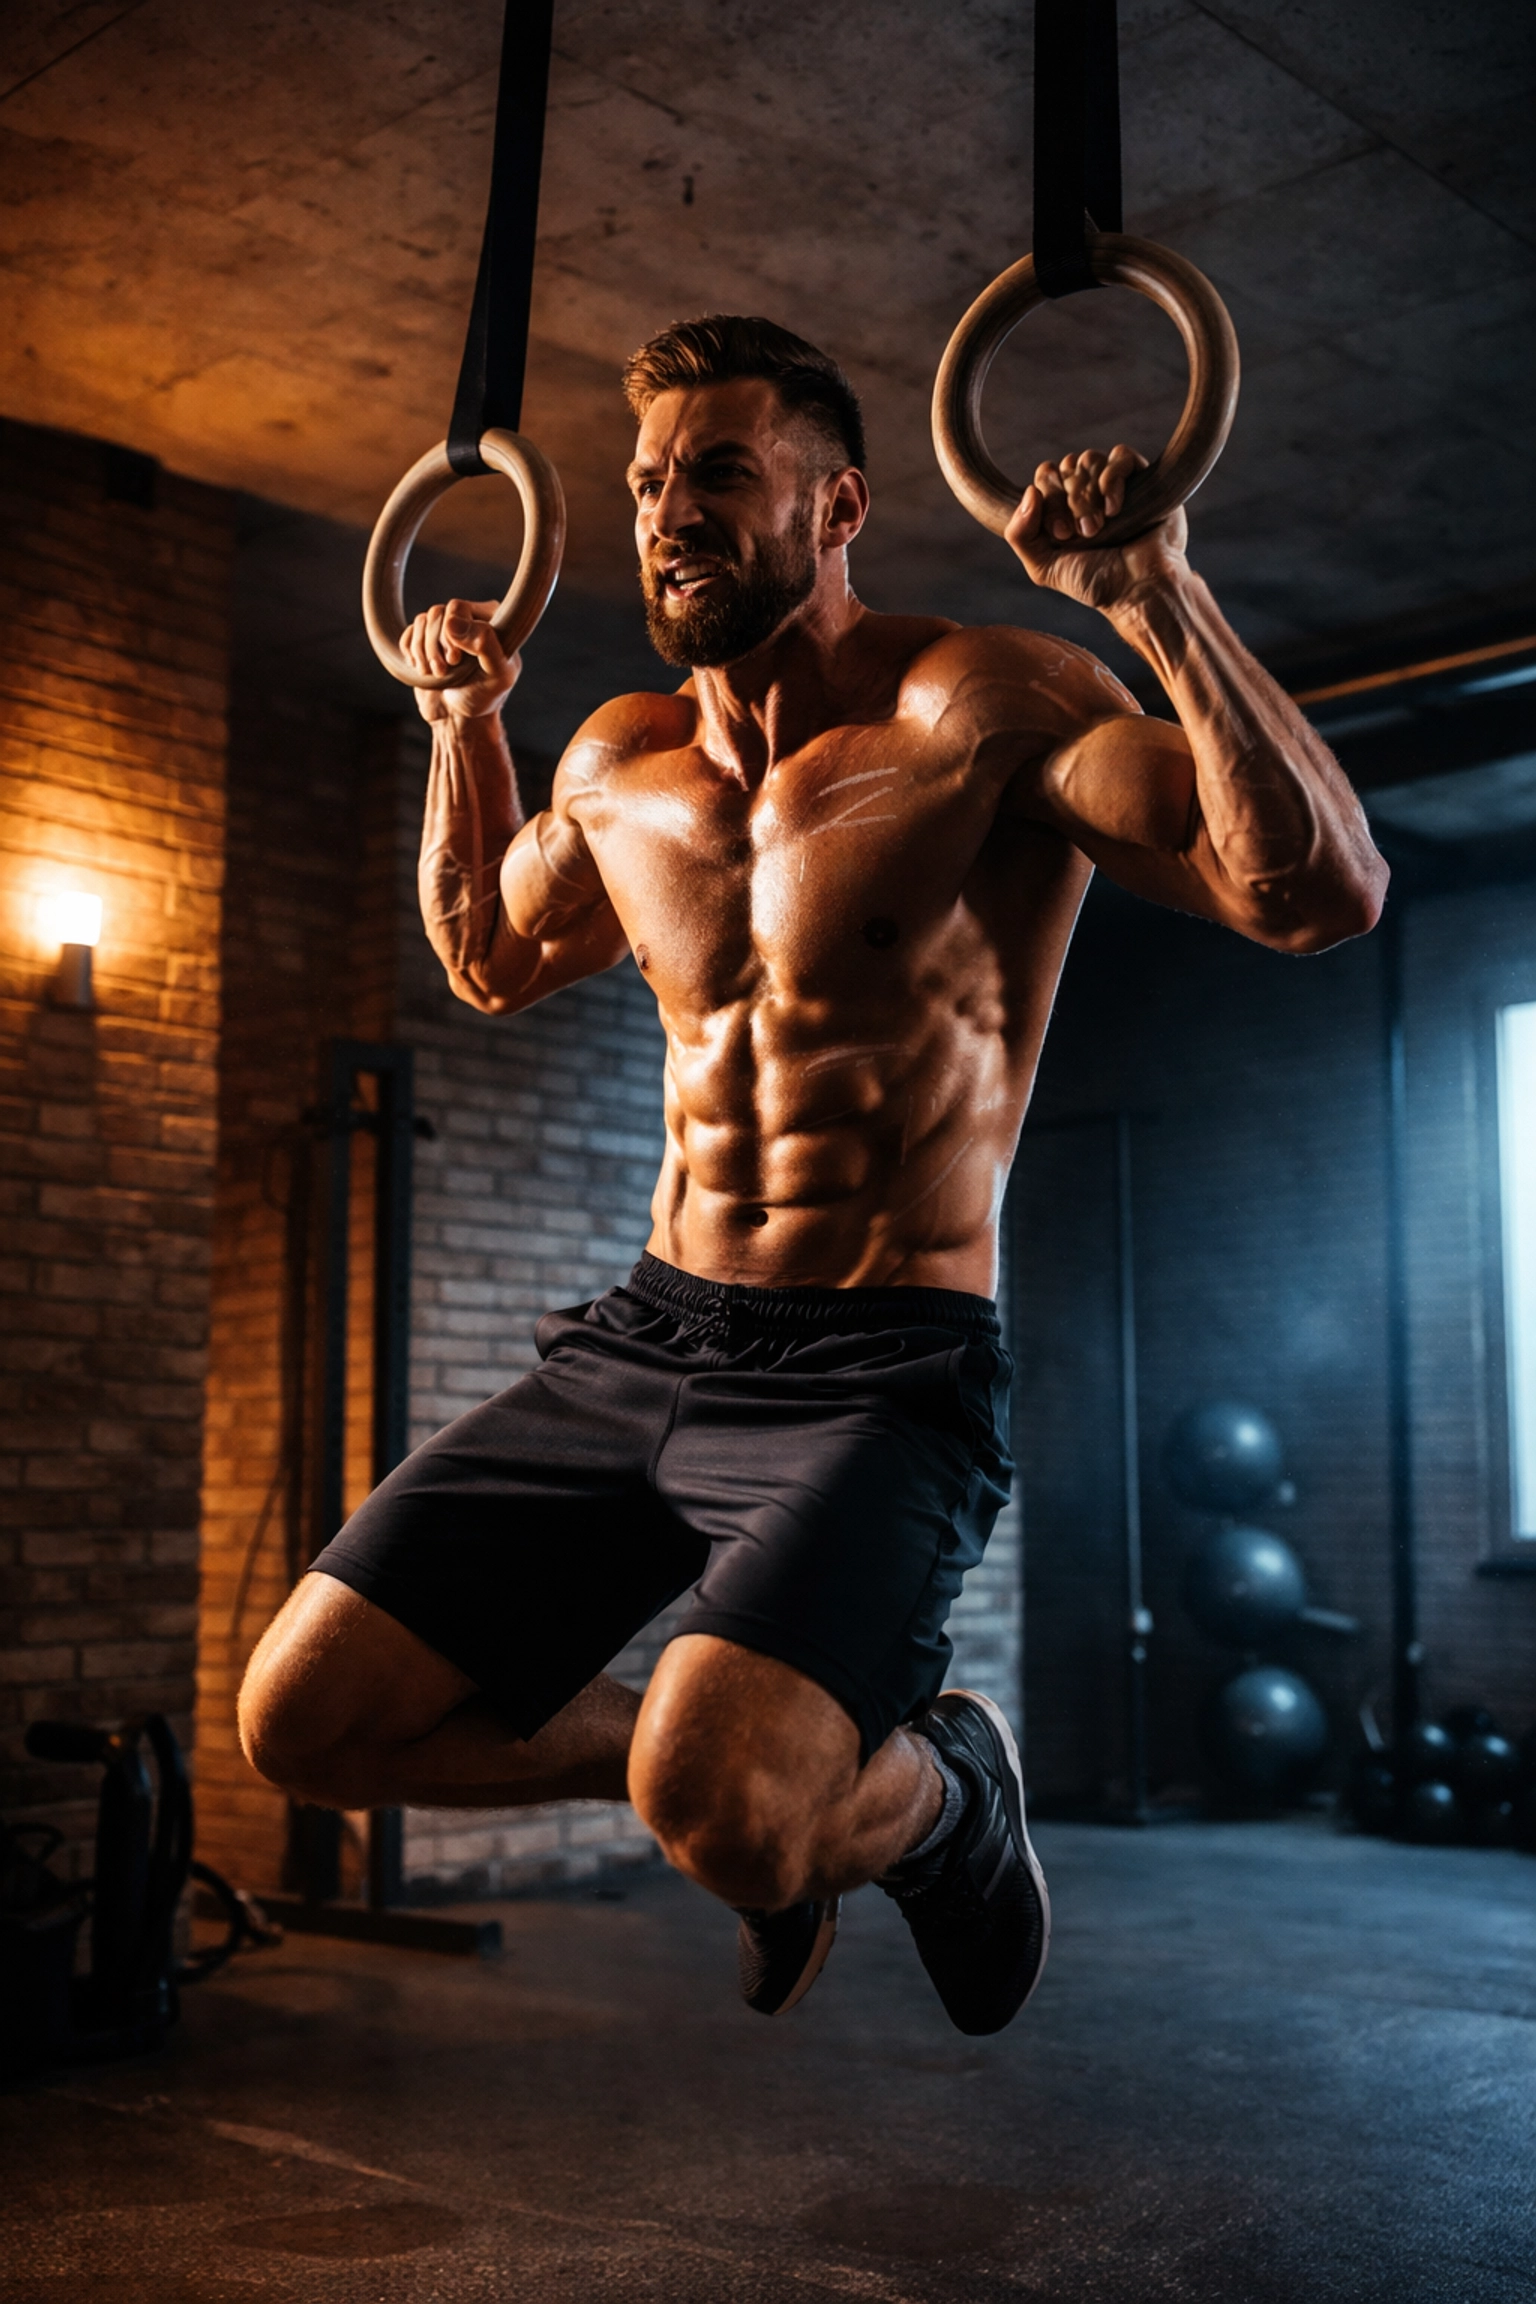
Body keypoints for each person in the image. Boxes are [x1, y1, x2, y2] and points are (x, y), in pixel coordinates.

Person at [239, 316, 1386, 2034]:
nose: (665, 511)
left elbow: (1309, 890)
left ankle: (933, 1796)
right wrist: (464, 722)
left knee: (730, 1821)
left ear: (835, 502)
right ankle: (730, 1763)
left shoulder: (981, 706)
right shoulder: (620, 761)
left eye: (716, 470)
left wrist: (1151, 593)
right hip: (647, 1337)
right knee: (305, 1727)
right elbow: (485, 951)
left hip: (881, 1364)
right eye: (644, 482)